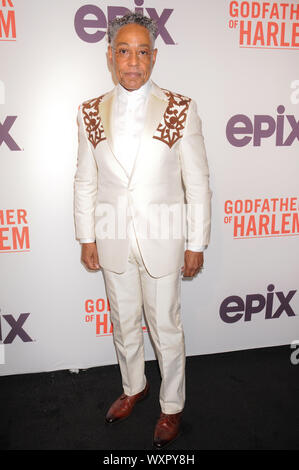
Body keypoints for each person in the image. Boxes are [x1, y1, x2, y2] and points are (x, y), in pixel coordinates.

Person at [74, 12, 211, 449]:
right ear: (110, 56)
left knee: (166, 326)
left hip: (164, 241)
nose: (133, 62)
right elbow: (85, 180)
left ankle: (172, 405)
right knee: (123, 321)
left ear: (154, 56)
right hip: (112, 238)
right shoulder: (90, 112)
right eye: (124, 51)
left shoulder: (179, 108)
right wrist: (87, 236)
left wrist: (196, 242)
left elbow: (198, 182)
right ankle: (134, 386)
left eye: (142, 52)